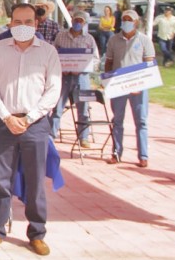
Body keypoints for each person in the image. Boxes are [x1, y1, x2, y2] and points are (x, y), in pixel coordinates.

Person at [0, 3, 61, 256]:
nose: (23, 26)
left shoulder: (48, 52)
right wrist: (6, 117)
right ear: (10, 23)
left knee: (35, 182)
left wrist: (29, 118)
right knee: (2, 182)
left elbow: (53, 90)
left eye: (28, 22)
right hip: (4, 123)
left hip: (35, 125)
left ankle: (37, 234)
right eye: (18, 21)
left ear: (36, 24)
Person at [105, 9, 155, 168]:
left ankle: (143, 156)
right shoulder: (113, 40)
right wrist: (107, 81)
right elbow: (109, 62)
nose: (126, 22)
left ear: (136, 22)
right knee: (117, 120)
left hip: (139, 87)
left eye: (129, 20)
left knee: (141, 121)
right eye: (124, 19)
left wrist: (141, 84)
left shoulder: (144, 40)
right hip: (118, 85)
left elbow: (149, 63)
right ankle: (116, 153)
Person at [51, 11, 99, 148]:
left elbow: (95, 60)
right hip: (63, 77)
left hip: (81, 77)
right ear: (72, 20)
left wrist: (83, 68)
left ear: (85, 23)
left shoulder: (89, 39)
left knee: (83, 109)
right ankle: (51, 135)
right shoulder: (61, 36)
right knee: (57, 108)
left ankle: (84, 137)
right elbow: (53, 54)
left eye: (81, 21)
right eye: (76, 20)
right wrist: (61, 68)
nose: (78, 23)